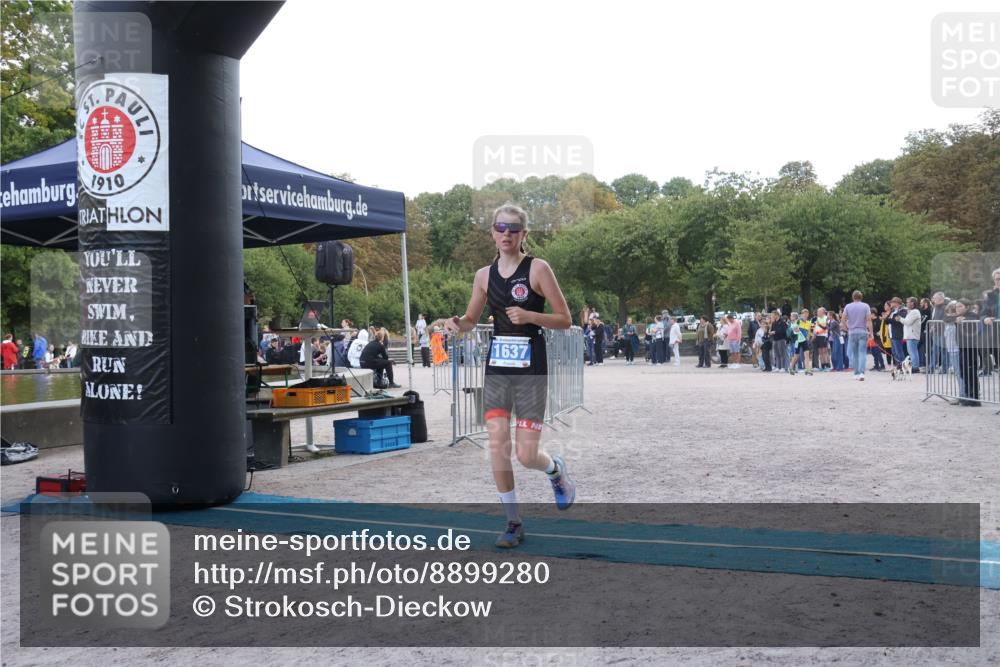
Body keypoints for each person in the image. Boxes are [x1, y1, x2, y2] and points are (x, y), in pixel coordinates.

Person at [445, 203, 574, 549]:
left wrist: (531, 316)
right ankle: (513, 522)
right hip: (499, 368)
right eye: (500, 228)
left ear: (524, 235)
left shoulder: (538, 269)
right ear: (492, 232)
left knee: (526, 455)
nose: (506, 234)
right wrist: (458, 325)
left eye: (513, 229)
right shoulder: (483, 276)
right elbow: (471, 320)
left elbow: (565, 319)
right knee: (498, 447)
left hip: (531, 368)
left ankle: (554, 470)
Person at [842, 291, 872, 380]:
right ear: (861, 297)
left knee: (854, 354)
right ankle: (862, 373)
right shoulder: (866, 306)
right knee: (862, 353)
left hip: (852, 332)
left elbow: (843, 319)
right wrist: (871, 333)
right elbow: (869, 320)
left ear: (853, 297)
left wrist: (846, 328)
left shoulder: (848, 306)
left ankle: (856, 373)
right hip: (863, 331)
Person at [787, 309, 814, 376]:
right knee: (796, 356)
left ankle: (807, 369)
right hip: (797, 341)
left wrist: (808, 337)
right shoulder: (798, 321)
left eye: (806, 313)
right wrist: (796, 330)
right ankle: (790, 367)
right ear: (801, 314)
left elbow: (808, 331)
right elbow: (792, 327)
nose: (805, 315)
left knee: (807, 354)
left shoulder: (808, 322)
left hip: (804, 340)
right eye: (804, 313)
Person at [902, 297, 922, 372]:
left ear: (912, 303)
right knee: (912, 352)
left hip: (912, 335)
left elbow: (908, 322)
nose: (906, 304)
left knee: (912, 352)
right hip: (910, 335)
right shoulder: (911, 312)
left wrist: (900, 319)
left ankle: (915, 367)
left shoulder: (915, 312)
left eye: (908, 302)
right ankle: (914, 366)